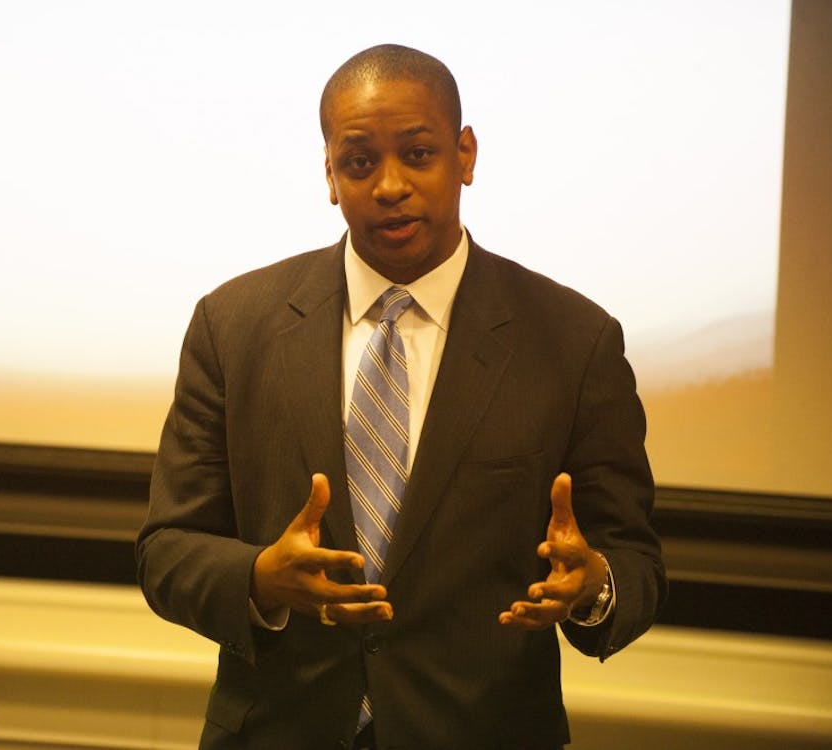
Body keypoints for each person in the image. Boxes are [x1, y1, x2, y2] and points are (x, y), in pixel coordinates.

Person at [137, 43, 666, 750]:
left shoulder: (574, 342)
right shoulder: (233, 325)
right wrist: (260, 578)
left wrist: (593, 586)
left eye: (418, 155)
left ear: (466, 155)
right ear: (329, 172)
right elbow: (166, 550)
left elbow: (634, 562)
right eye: (360, 162)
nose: (390, 185)